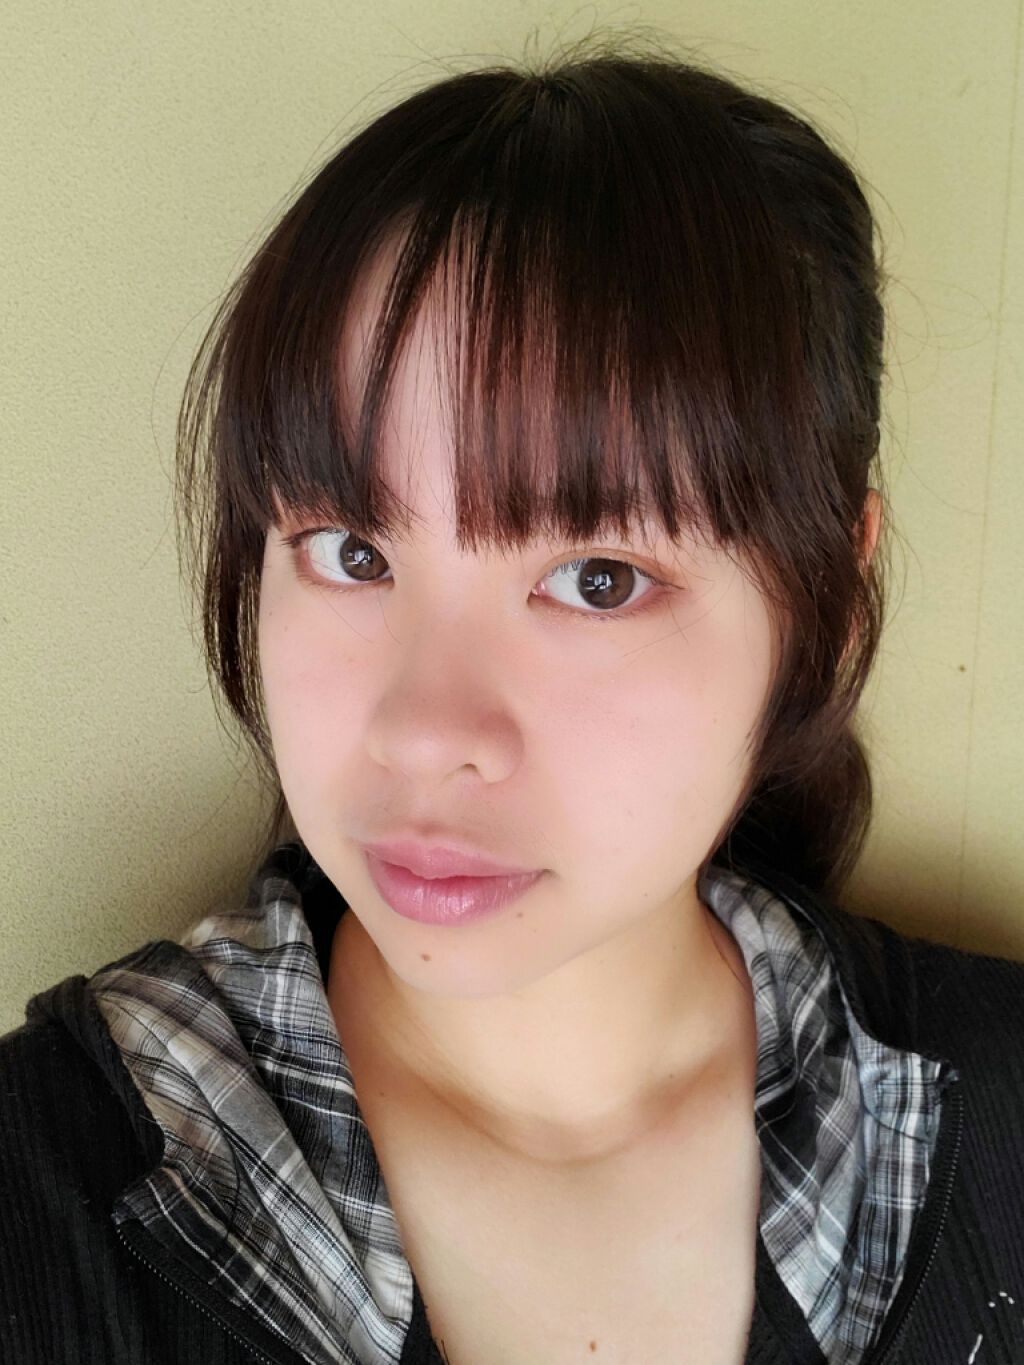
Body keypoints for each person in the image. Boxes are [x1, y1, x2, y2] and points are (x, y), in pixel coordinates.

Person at [2, 38, 1023, 1365]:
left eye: (598, 579)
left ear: (826, 599)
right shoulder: (45, 1188)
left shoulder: (997, 1114)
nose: (425, 731)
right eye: (350, 552)